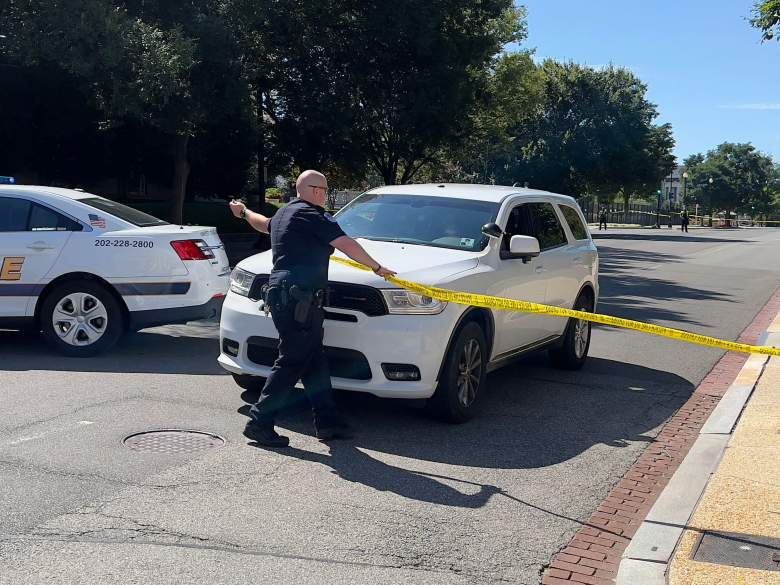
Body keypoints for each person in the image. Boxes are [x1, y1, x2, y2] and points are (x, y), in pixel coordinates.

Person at [229, 170, 395, 448]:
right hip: (299, 300)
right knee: (292, 360)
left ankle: (328, 423)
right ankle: (259, 422)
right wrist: (377, 267)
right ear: (316, 190)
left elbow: (263, 224)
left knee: (314, 359)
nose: (326, 194)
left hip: (288, 297)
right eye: (325, 190)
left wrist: (244, 211)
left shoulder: (285, 214)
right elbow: (346, 243)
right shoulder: (313, 216)